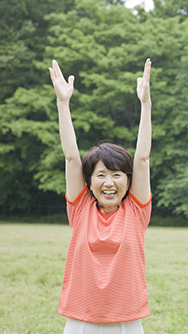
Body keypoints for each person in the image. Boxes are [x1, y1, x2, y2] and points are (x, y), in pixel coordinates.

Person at [49, 58, 153, 334]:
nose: (109, 182)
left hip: (127, 321)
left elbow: (142, 158)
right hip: (81, 319)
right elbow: (71, 156)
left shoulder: (136, 210)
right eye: (101, 174)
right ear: (89, 182)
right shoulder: (80, 208)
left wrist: (145, 104)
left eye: (117, 174)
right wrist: (63, 104)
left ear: (128, 181)